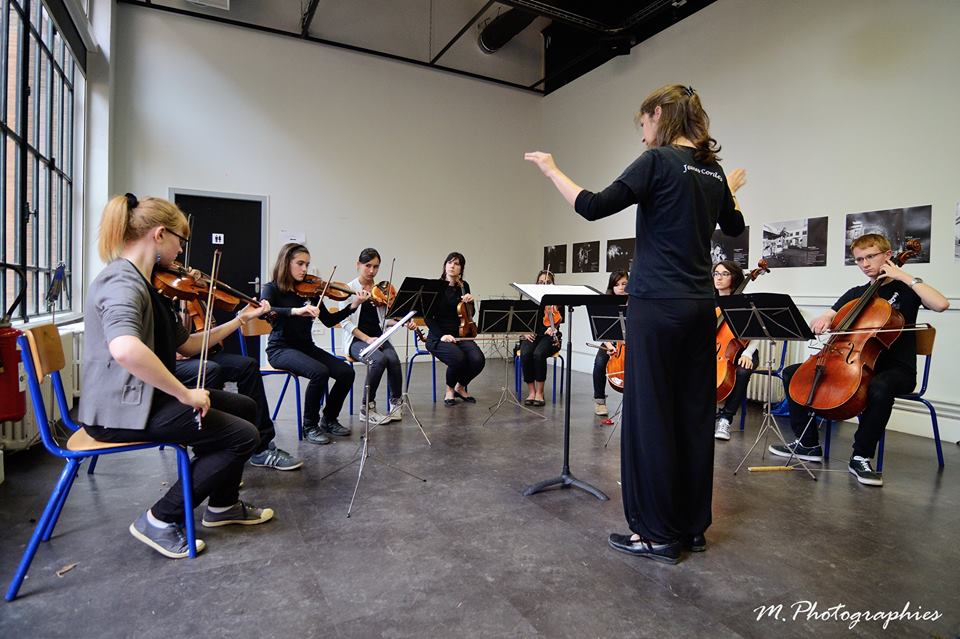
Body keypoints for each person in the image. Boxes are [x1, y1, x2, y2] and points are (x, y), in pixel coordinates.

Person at [526, 84, 746, 564]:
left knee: (649, 418)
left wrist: (551, 169)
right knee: (692, 415)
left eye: (643, 125)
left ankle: (655, 534)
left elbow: (592, 205)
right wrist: (725, 189)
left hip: (657, 306)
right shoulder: (711, 169)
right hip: (699, 307)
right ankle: (690, 528)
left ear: (659, 114)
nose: (643, 136)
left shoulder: (659, 161)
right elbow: (732, 226)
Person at [80, 193, 275, 560]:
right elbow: (124, 348)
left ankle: (223, 505)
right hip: (119, 412)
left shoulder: (146, 284)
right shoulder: (122, 282)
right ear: (158, 235)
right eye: (180, 241)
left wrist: (238, 321)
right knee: (242, 436)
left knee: (246, 407)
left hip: (141, 399)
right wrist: (186, 394)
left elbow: (189, 345)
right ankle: (159, 518)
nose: (182, 252)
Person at [770, 233, 948, 486]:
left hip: (896, 369)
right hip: (851, 362)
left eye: (870, 257)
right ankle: (807, 444)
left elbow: (941, 304)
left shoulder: (907, 290)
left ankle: (861, 455)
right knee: (792, 373)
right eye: (859, 259)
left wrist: (904, 277)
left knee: (880, 386)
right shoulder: (857, 294)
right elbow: (831, 315)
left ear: (887, 256)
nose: (865, 264)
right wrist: (823, 320)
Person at [261, 243, 368, 444]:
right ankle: (309, 425)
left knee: (346, 372)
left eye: (307, 264)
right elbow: (266, 312)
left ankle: (329, 418)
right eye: (300, 263)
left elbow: (328, 321)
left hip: (306, 347)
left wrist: (353, 306)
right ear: (286, 263)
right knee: (319, 372)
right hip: (280, 349)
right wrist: (296, 311)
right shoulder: (271, 288)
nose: (304, 269)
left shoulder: (311, 291)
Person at [175, 311, 303, 470]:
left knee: (247, 366)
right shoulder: (159, 296)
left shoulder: (194, 296)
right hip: (174, 363)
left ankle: (261, 448)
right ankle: (209, 454)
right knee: (210, 370)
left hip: (202, 352)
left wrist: (242, 316)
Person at [338, 248, 403, 425]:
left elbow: (384, 321)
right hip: (357, 340)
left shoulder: (380, 290)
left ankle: (396, 403)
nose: (372, 271)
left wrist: (401, 321)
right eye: (368, 266)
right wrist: (367, 339)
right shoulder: (348, 289)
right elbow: (345, 323)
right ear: (358, 265)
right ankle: (367, 408)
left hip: (378, 338)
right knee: (378, 360)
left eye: (376, 267)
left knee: (393, 359)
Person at [424, 252, 486, 406]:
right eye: (450, 262)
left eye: (457, 264)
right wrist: (442, 336)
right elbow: (427, 317)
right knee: (458, 358)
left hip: (461, 334)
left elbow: (469, 315)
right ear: (445, 265)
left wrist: (471, 303)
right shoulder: (435, 287)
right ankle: (450, 390)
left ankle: (460, 387)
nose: (452, 266)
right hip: (438, 337)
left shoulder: (464, 286)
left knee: (478, 359)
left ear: (461, 269)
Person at [713, 260, 758, 441]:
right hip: (718, 350)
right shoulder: (709, 301)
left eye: (725, 274)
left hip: (745, 349)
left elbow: (756, 333)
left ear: (734, 277)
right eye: (716, 273)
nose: (719, 277)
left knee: (742, 371)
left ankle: (725, 418)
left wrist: (748, 353)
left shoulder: (743, 302)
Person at [519, 270, 564, 407]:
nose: (544, 284)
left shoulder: (557, 301)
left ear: (553, 284)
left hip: (550, 336)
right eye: (540, 282)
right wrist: (525, 332)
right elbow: (522, 322)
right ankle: (531, 391)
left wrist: (553, 328)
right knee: (526, 354)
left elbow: (558, 321)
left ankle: (539, 392)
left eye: (548, 282)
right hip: (533, 335)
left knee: (538, 354)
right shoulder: (530, 300)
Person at [592, 270, 629, 416]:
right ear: (611, 287)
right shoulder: (605, 303)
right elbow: (601, 330)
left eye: (624, 284)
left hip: (630, 342)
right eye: (617, 284)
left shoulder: (635, 302)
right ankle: (600, 401)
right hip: (610, 342)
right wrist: (609, 346)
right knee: (600, 362)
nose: (620, 287)